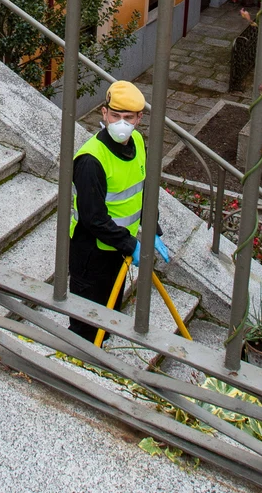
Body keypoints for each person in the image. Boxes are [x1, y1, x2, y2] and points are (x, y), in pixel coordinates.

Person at [67, 80, 170, 342]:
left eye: (128, 117)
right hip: (92, 252)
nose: (121, 123)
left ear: (139, 119)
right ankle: (80, 360)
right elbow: (94, 218)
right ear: (104, 113)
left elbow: (142, 189)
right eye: (115, 115)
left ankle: (101, 354)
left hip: (118, 250)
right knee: (87, 323)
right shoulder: (91, 159)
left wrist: (151, 228)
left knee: (110, 313)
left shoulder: (136, 141)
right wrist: (131, 244)